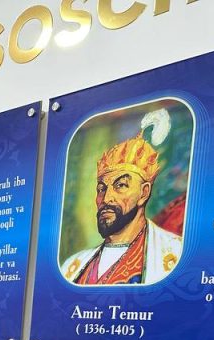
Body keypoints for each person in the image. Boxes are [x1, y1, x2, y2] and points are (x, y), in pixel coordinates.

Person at [61, 108, 183, 285]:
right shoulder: (72, 266)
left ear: (144, 192)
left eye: (121, 186)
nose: (106, 198)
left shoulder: (176, 254)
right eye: (101, 189)